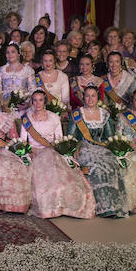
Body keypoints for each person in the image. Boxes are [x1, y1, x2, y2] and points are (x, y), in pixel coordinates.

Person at [19, 90, 95, 219]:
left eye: (40, 100)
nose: (38, 103)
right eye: (35, 100)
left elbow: (59, 139)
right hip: (35, 152)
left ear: (45, 102)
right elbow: (22, 141)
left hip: (52, 151)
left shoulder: (54, 117)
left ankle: (64, 206)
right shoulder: (26, 118)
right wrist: (29, 151)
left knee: (62, 174)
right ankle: (48, 207)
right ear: (32, 102)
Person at [68, 86, 129, 218]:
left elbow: (110, 137)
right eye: (87, 96)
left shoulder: (105, 114)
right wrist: (74, 148)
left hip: (102, 148)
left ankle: (114, 204)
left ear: (98, 98)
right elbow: (70, 137)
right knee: (96, 165)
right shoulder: (77, 114)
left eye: (93, 96)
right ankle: (103, 206)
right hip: (84, 148)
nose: (90, 99)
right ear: (83, 98)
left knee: (111, 163)